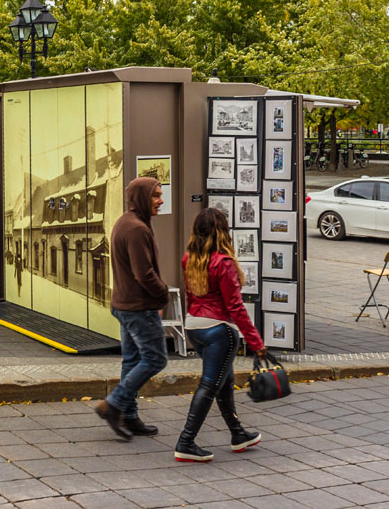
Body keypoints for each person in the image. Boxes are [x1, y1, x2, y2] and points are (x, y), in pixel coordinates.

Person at [176, 208, 266, 462]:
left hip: (195, 326)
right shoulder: (223, 263)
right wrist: (256, 342)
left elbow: (191, 297)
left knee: (224, 382)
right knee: (210, 384)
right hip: (219, 330)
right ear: (223, 232)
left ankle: (238, 434)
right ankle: (186, 441)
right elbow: (235, 307)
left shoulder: (189, 259)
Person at [96, 177, 169, 441]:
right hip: (139, 307)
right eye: (155, 195)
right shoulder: (137, 228)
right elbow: (144, 274)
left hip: (125, 304)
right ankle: (114, 404)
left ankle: (129, 415)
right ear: (141, 197)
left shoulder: (124, 222)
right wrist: (163, 296)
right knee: (156, 359)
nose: (161, 200)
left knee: (132, 360)